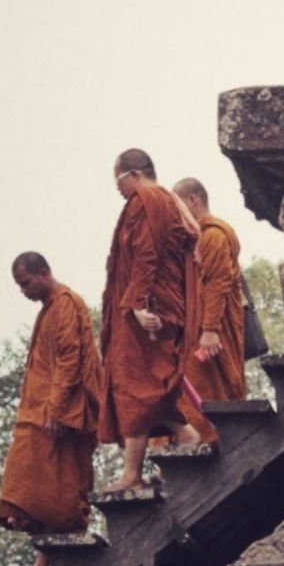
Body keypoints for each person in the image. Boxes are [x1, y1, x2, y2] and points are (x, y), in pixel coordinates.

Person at [98, 148, 206, 491]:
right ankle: (187, 436)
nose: (116, 188)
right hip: (166, 306)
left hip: (149, 312)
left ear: (133, 174)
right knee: (152, 386)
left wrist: (139, 305)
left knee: (133, 386)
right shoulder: (171, 202)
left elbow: (146, 255)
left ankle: (131, 475)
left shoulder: (145, 199)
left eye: (117, 179)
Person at [0, 252, 103, 566]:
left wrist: (57, 408)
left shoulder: (67, 303)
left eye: (25, 283)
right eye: (19, 285)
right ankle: (42, 564)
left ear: (43, 273)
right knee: (34, 488)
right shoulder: (49, 308)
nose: (23, 291)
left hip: (60, 416)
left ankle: (44, 565)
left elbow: (70, 358)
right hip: (39, 415)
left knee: (57, 489)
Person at [173, 178, 248, 422]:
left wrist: (210, 329)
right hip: (198, 328)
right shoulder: (197, 238)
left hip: (212, 331)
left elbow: (218, 283)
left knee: (214, 390)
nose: (175, 215)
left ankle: (215, 439)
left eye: (178, 206)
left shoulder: (214, 235)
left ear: (192, 200)